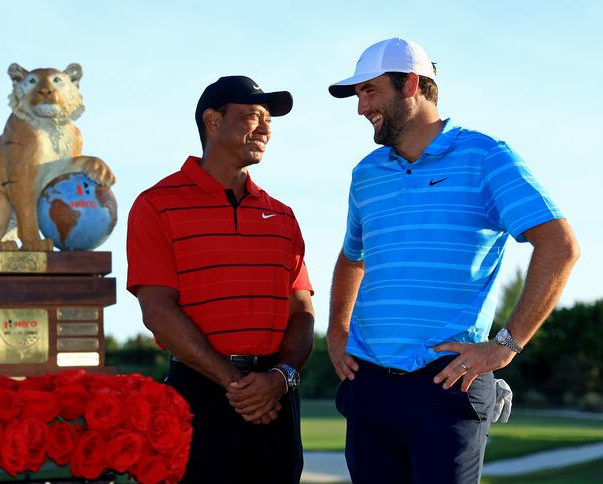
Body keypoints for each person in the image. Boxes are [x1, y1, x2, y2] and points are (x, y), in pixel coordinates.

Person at [326, 38, 580, 484]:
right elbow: (352, 259)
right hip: (368, 386)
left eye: (369, 91)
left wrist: (506, 345)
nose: (361, 107)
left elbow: (560, 245)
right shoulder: (366, 173)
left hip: (447, 386)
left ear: (410, 84)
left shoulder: (486, 156)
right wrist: (336, 331)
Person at [126, 75, 315, 484]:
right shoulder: (156, 205)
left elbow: (301, 312)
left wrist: (279, 379)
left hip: (276, 398)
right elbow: (157, 310)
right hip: (199, 393)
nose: (265, 128)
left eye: (269, 119)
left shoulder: (282, 216)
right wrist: (239, 385)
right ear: (213, 121)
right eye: (252, 116)